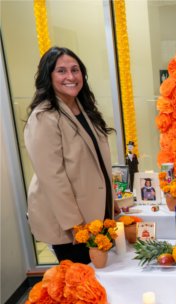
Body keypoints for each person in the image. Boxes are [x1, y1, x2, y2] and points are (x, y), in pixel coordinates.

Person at [24, 46, 115, 264]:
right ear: (49, 76)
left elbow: (95, 162)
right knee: (80, 283)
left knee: (99, 279)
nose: (71, 77)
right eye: (61, 71)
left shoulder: (83, 109)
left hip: (94, 213)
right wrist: (75, 225)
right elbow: (53, 178)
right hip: (71, 224)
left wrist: (111, 200)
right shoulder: (44, 116)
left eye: (75, 70)